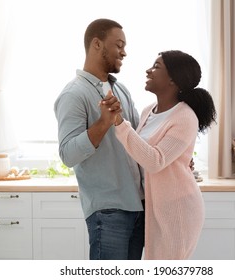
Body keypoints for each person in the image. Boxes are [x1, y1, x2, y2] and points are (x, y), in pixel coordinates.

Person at [100, 50, 216, 259]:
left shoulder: (185, 117)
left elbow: (155, 161)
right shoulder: (148, 111)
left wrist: (119, 122)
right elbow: (139, 153)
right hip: (154, 208)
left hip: (178, 209)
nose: (148, 71)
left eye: (156, 67)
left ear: (173, 79)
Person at [54, 18, 145, 260]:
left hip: (138, 206)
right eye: (119, 44)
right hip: (108, 211)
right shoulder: (73, 95)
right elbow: (68, 155)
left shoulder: (121, 90)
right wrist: (104, 122)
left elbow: (139, 139)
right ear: (97, 44)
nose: (124, 52)